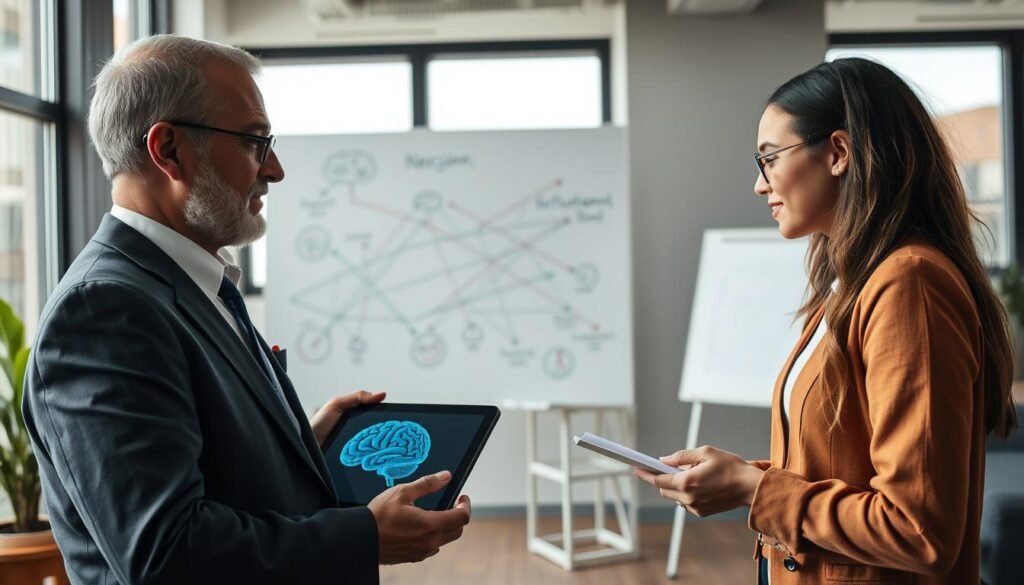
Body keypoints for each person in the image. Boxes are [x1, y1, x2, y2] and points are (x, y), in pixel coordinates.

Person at [23, 34, 470, 585]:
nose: (275, 168)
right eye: (255, 142)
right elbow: (166, 556)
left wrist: (294, 439)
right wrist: (364, 535)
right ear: (168, 150)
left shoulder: (190, 281)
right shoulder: (103, 311)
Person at [637, 57, 1019, 585]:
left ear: (838, 152)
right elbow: (847, 464)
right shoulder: (850, 284)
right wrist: (744, 478)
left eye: (769, 158)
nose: (758, 184)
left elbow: (918, 528)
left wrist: (753, 490)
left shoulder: (909, 283)